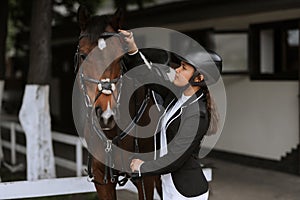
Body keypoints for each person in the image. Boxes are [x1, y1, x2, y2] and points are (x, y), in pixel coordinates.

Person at [119, 29, 222, 200]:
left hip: (187, 192)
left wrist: (143, 166)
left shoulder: (198, 115)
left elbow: (176, 157)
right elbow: (147, 76)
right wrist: (132, 48)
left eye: (184, 68)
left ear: (199, 78)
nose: (177, 70)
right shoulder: (176, 95)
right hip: (169, 185)